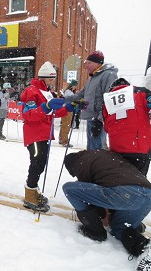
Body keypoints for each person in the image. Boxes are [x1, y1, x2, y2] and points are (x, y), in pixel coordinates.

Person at [62, 150, 151, 270]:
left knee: (69, 189)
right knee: (119, 229)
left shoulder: (81, 163)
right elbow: (106, 184)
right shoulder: (101, 155)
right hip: (147, 195)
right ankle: (145, 248)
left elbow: (93, 197)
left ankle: (96, 231)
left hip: (127, 194)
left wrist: (97, 217)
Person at [20, 61, 74, 212]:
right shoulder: (32, 91)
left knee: (41, 163)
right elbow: (28, 115)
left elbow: (53, 112)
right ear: (43, 78)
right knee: (36, 163)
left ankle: (33, 190)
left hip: (44, 133)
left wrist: (68, 108)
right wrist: (46, 107)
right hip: (34, 134)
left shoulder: (47, 92)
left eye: (53, 79)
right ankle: (29, 194)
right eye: (51, 80)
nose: (53, 82)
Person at [65, 51, 118, 150]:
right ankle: (92, 164)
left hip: (98, 119)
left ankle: (97, 165)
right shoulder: (92, 77)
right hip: (91, 117)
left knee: (97, 149)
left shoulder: (108, 75)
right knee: (91, 148)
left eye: (89, 63)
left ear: (98, 63)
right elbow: (81, 94)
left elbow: (109, 98)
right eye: (86, 63)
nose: (86, 66)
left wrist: (100, 119)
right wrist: (65, 98)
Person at [102, 77, 151, 176]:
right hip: (139, 148)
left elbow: (106, 127)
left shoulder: (107, 101)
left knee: (121, 181)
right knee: (139, 182)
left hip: (116, 150)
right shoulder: (140, 92)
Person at [58, 80, 78, 147]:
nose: (75, 87)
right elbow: (70, 100)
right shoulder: (69, 92)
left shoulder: (67, 91)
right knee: (66, 125)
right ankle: (65, 141)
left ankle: (61, 138)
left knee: (64, 125)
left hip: (65, 109)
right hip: (67, 110)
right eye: (75, 86)